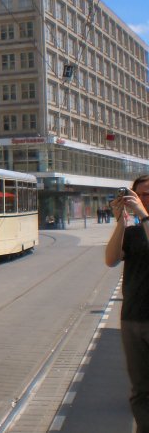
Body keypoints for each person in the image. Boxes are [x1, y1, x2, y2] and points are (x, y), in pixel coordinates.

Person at [104, 176, 149, 432]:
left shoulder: (144, 220)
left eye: (148, 195)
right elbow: (111, 260)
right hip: (132, 318)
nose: (142, 200)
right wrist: (121, 221)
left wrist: (142, 214)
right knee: (140, 391)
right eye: (138, 194)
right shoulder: (132, 231)